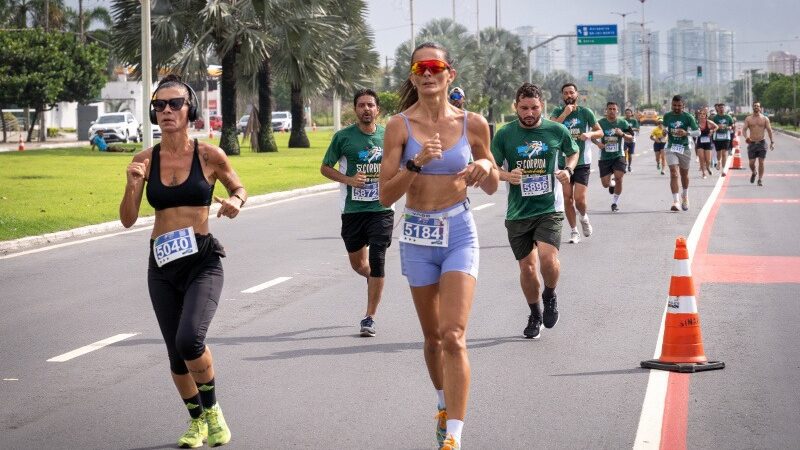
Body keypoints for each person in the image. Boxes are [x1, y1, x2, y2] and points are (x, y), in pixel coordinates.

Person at [379, 42, 498, 450]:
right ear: (413, 77)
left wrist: (485, 166)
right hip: (417, 234)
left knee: (453, 335)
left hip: (459, 230)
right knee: (431, 339)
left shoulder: (474, 123)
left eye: (436, 66)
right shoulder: (399, 126)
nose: (428, 73)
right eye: (420, 68)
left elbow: (494, 180)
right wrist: (417, 164)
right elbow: (384, 196)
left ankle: (454, 437)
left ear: (451, 74)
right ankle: (443, 405)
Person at [119, 74, 246, 448]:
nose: (166, 111)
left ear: (189, 110)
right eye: (159, 105)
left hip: (201, 261)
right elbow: (127, 219)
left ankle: (213, 410)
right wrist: (131, 184)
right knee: (176, 353)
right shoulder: (144, 160)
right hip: (161, 265)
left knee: (190, 339)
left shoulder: (209, 155)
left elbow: (237, 187)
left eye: (174, 104)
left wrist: (236, 202)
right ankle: (197, 422)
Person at [493, 82, 577, 342]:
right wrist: (508, 175)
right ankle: (534, 313)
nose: (529, 113)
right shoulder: (504, 134)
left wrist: (568, 170)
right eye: (524, 108)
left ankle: (550, 295)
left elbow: (572, 152)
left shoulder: (556, 130)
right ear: (515, 107)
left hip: (549, 208)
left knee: (547, 259)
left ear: (543, 106)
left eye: (534, 108)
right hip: (518, 212)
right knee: (528, 269)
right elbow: (491, 169)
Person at [320, 88, 393, 337]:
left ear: (377, 109)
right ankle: (375, 279)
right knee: (359, 264)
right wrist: (349, 180)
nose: (366, 109)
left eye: (370, 105)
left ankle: (369, 317)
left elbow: (403, 165)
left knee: (378, 258)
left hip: (382, 207)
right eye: (361, 105)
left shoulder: (389, 136)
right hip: (352, 210)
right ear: (355, 109)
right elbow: (325, 168)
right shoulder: (343, 137)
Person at [550, 83, 602, 244]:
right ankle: (574, 231)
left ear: (576, 94)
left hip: (581, 161)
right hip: (563, 161)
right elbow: (552, 129)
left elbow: (600, 131)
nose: (568, 96)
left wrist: (589, 133)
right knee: (567, 198)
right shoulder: (558, 111)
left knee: (579, 199)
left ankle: (584, 217)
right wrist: (564, 115)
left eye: (571, 92)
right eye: (565, 93)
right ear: (562, 96)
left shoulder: (585, 113)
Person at [592, 102, 633, 212]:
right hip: (604, 157)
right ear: (606, 110)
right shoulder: (600, 123)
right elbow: (592, 136)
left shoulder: (622, 122)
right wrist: (598, 143)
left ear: (617, 111)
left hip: (618, 155)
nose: (612, 111)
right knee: (605, 184)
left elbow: (632, 137)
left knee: (619, 177)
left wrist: (623, 134)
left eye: (614, 109)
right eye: (609, 109)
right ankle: (611, 184)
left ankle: (615, 203)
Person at [662, 95, 700, 211]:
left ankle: (685, 195)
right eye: (674, 105)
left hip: (685, 148)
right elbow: (664, 129)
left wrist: (686, 133)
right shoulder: (667, 116)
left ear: (683, 105)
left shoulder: (688, 117)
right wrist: (664, 132)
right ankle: (676, 201)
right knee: (674, 173)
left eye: (679, 105)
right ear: (671, 105)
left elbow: (697, 132)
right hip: (671, 147)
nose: (676, 107)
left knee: (684, 175)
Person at [742, 101, 774, 186]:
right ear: (753, 107)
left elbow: (769, 130)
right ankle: (754, 172)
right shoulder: (748, 119)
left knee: (761, 162)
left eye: (758, 106)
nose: (756, 107)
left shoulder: (765, 118)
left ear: (760, 108)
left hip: (762, 143)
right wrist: (746, 137)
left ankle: (760, 179)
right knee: (751, 163)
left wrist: (772, 142)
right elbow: (744, 130)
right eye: (755, 106)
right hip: (752, 143)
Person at [711, 103, 736, 177]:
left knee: (724, 153)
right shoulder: (715, 117)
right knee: (718, 153)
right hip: (717, 137)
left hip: (726, 137)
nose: (721, 109)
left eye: (723, 108)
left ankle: (723, 170)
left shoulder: (728, 117)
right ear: (718, 109)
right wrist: (717, 126)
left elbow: (732, 125)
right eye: (720, 108)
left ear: (724, 108)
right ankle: (718, 161)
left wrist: (730, 127)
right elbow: (712, 126)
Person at [694, 107, 718, 179]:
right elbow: (691, 129)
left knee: (708, 160)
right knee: (701, 158)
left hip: (708, 142)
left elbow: (716, 127)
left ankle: (707, 167)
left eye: (703, 114)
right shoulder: (696, 123)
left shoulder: (709, 122)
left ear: (706, 115)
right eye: (700, 114)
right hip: (700, 142)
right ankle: (703, 173)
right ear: (699, 115)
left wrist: (712, 131)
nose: (702, 115)